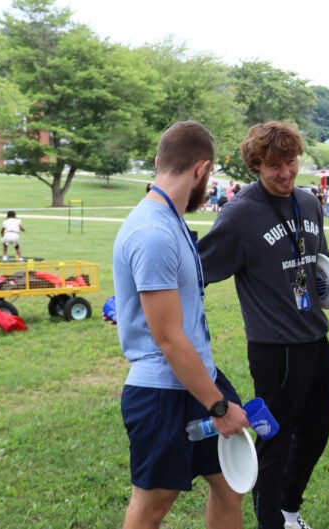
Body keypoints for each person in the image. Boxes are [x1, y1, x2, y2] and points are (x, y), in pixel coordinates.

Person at [198, 121, 329, 529]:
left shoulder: (308, 202)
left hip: (316, 341)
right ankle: (271, 523)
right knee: (274, 445)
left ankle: (289, 512)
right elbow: (194, 269)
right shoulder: (239, 215)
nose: (286, 173)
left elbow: (319, 270)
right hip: (275, 351)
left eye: (291, 162)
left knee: (314, 436)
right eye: (274, 165)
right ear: (256, 165)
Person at [112, 120, 251, 529]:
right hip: (161, 392)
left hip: (199, 377)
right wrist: (219, 406)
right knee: (154, 502)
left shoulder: (169, 223)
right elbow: (169, 339)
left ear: (159, 162)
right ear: (201, 171)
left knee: (230, 485)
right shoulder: (153, 232)